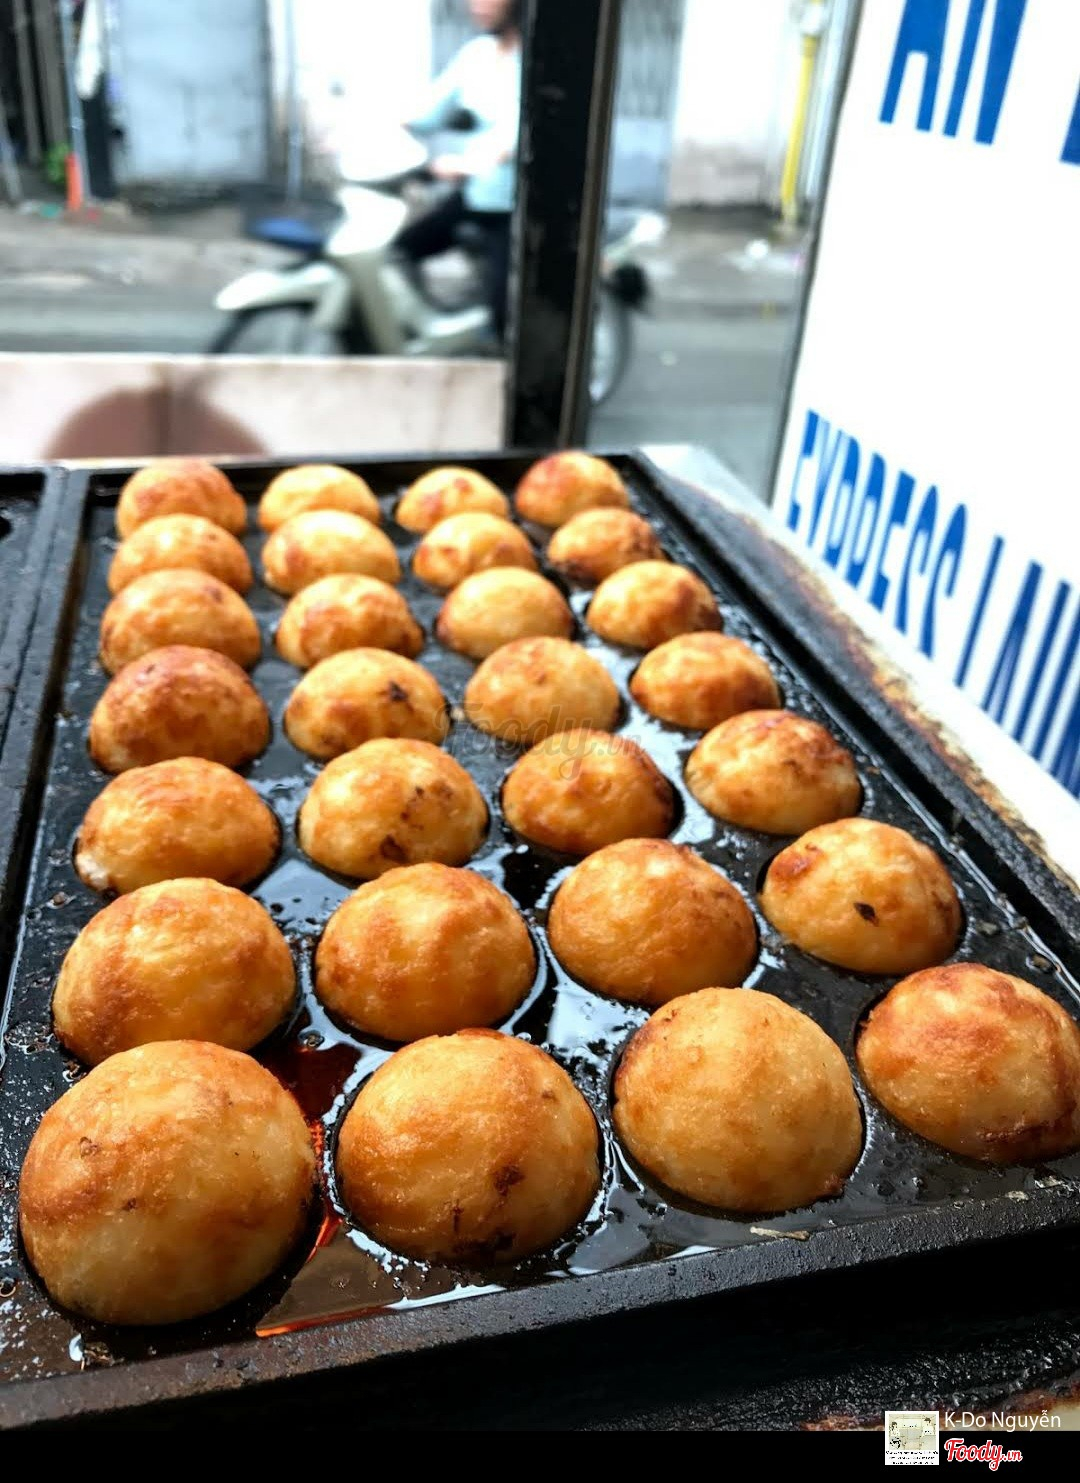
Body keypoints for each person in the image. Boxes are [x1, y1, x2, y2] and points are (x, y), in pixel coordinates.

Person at [398, 0, 522, 338]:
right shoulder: (477, 54)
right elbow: (430, 109)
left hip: (512, 205)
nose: (477, 5)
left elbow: (517, 131)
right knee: (403, 249)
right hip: (474, 194)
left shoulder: (534, 61)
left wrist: (471, 163)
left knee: (505, 309)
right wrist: (381, 122)